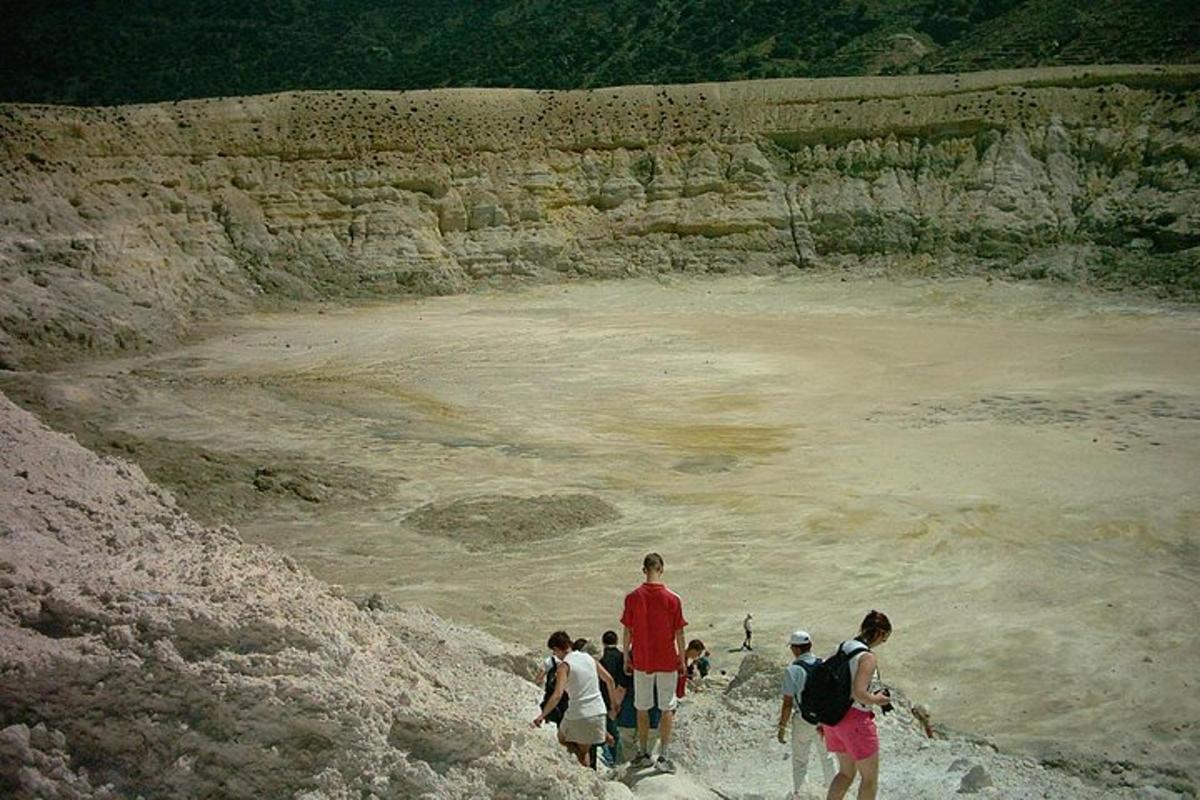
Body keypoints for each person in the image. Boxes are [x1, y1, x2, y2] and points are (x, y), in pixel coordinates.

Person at [621, 552, 687, 774]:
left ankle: (643, 753)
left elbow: (627, 631)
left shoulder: (632, 597)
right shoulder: (673, 598)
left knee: (642, 706)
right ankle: (664, 756)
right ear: (662, 569)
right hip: (667, 660)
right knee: (667, 706)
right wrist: (682, 659)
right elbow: (679, 632)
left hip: (642, 660)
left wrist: (625, 657)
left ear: (644, 570)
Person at [823, 611, 893, 800]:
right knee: (869, 779)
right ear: (879, 633)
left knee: (845, 773)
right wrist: (880, 700)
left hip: (832, 719)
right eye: (885, 637)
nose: (883, 642)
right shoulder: (867, 657)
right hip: (855, 721)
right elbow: (859, 693)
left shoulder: (841, 647)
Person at [533, 630, 619, 769]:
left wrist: (542, 715)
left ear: (556, 649)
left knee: (563, 739)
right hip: (599, 712)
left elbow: (558, 694)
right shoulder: (589, 658)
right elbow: (609, 680)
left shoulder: (564, 666)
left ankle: (585, 774)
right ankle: (602, 733)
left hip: (579, 714)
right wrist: (614, 704)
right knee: (584, 746)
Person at [777, 630, 835, 800]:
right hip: (824, 720)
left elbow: (787, 703)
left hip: (803, 719)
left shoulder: (792, 670)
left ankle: (801, 795)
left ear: (796, 648)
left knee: (800, 761)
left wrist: (782, 727)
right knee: (828, 758)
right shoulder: (823, 663)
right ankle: (835, 794)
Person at [599, 630, 626, 764]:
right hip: (619, 700)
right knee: (617, 732)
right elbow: (622, 683)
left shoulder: (601, 659)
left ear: (603, 642)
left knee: (604, 731)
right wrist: (616, 703)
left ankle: (609, 761)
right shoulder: (622, 657)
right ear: (617, 641)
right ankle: (616, 761)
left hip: (603, 700)